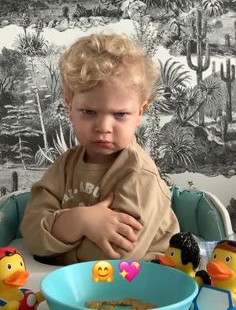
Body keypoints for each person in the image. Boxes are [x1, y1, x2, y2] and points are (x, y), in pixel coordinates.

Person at [21, 33, 179, 265]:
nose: (103, 127)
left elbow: (117, 255)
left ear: (140, 113)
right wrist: (81, 221)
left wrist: (55, 250)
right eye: (89, 112)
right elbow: (31, 230)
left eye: (120, 114)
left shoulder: (139, 173)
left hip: (141, 281)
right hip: (83, 284)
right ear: (70, 108)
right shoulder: (65, 165)